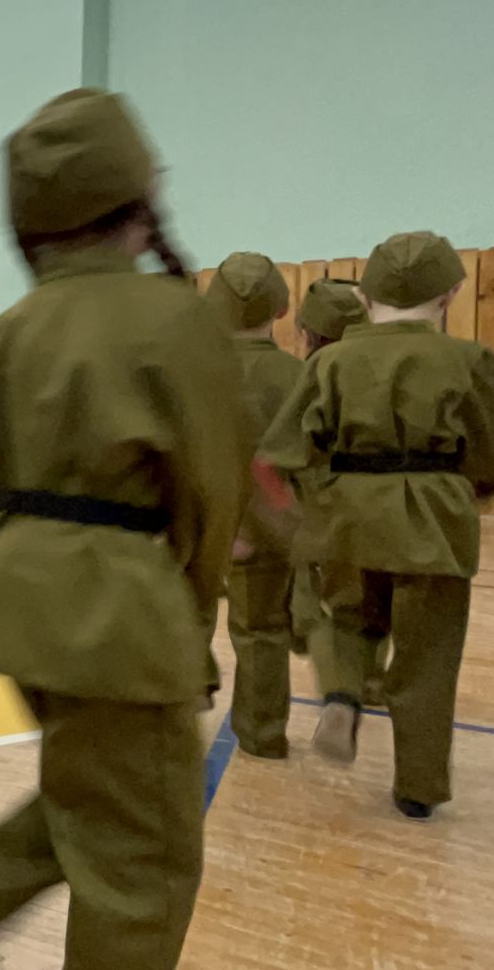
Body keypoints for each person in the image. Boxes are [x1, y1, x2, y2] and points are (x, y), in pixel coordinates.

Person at [0, 89, 243, 969]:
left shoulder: (9, 330)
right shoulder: (177, 320)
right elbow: (211, 499)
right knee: (144, 858)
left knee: (94, 784)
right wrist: (194, 625)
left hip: (14, 607)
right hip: (119, 614)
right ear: (137, 210)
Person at [258, 232, 494, 821]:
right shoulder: (469, 362)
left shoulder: (329, 362)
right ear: (452, 294)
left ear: (363, 298)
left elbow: (283, 452)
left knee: (348, 618)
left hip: (349, 514)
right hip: (435, 519)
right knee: (427, 656)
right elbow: (490, 452)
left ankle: (342, 696)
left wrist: (297, 513)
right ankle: (417, 787)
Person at [205, 253, 302, 760]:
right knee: (263, 630)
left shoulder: (190, 374)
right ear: (282, 309)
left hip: (195, 525)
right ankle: (263, 734)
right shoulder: (297, 376)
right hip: (265, 527)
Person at [286, 280, 389, 704]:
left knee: (320, 604)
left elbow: (289, 445)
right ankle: (374, 679)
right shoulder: (383, 368)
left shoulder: (310, 373)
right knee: (375, 597)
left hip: (319, 500)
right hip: (381, 499)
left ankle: (339, 685)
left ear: (307, 331)